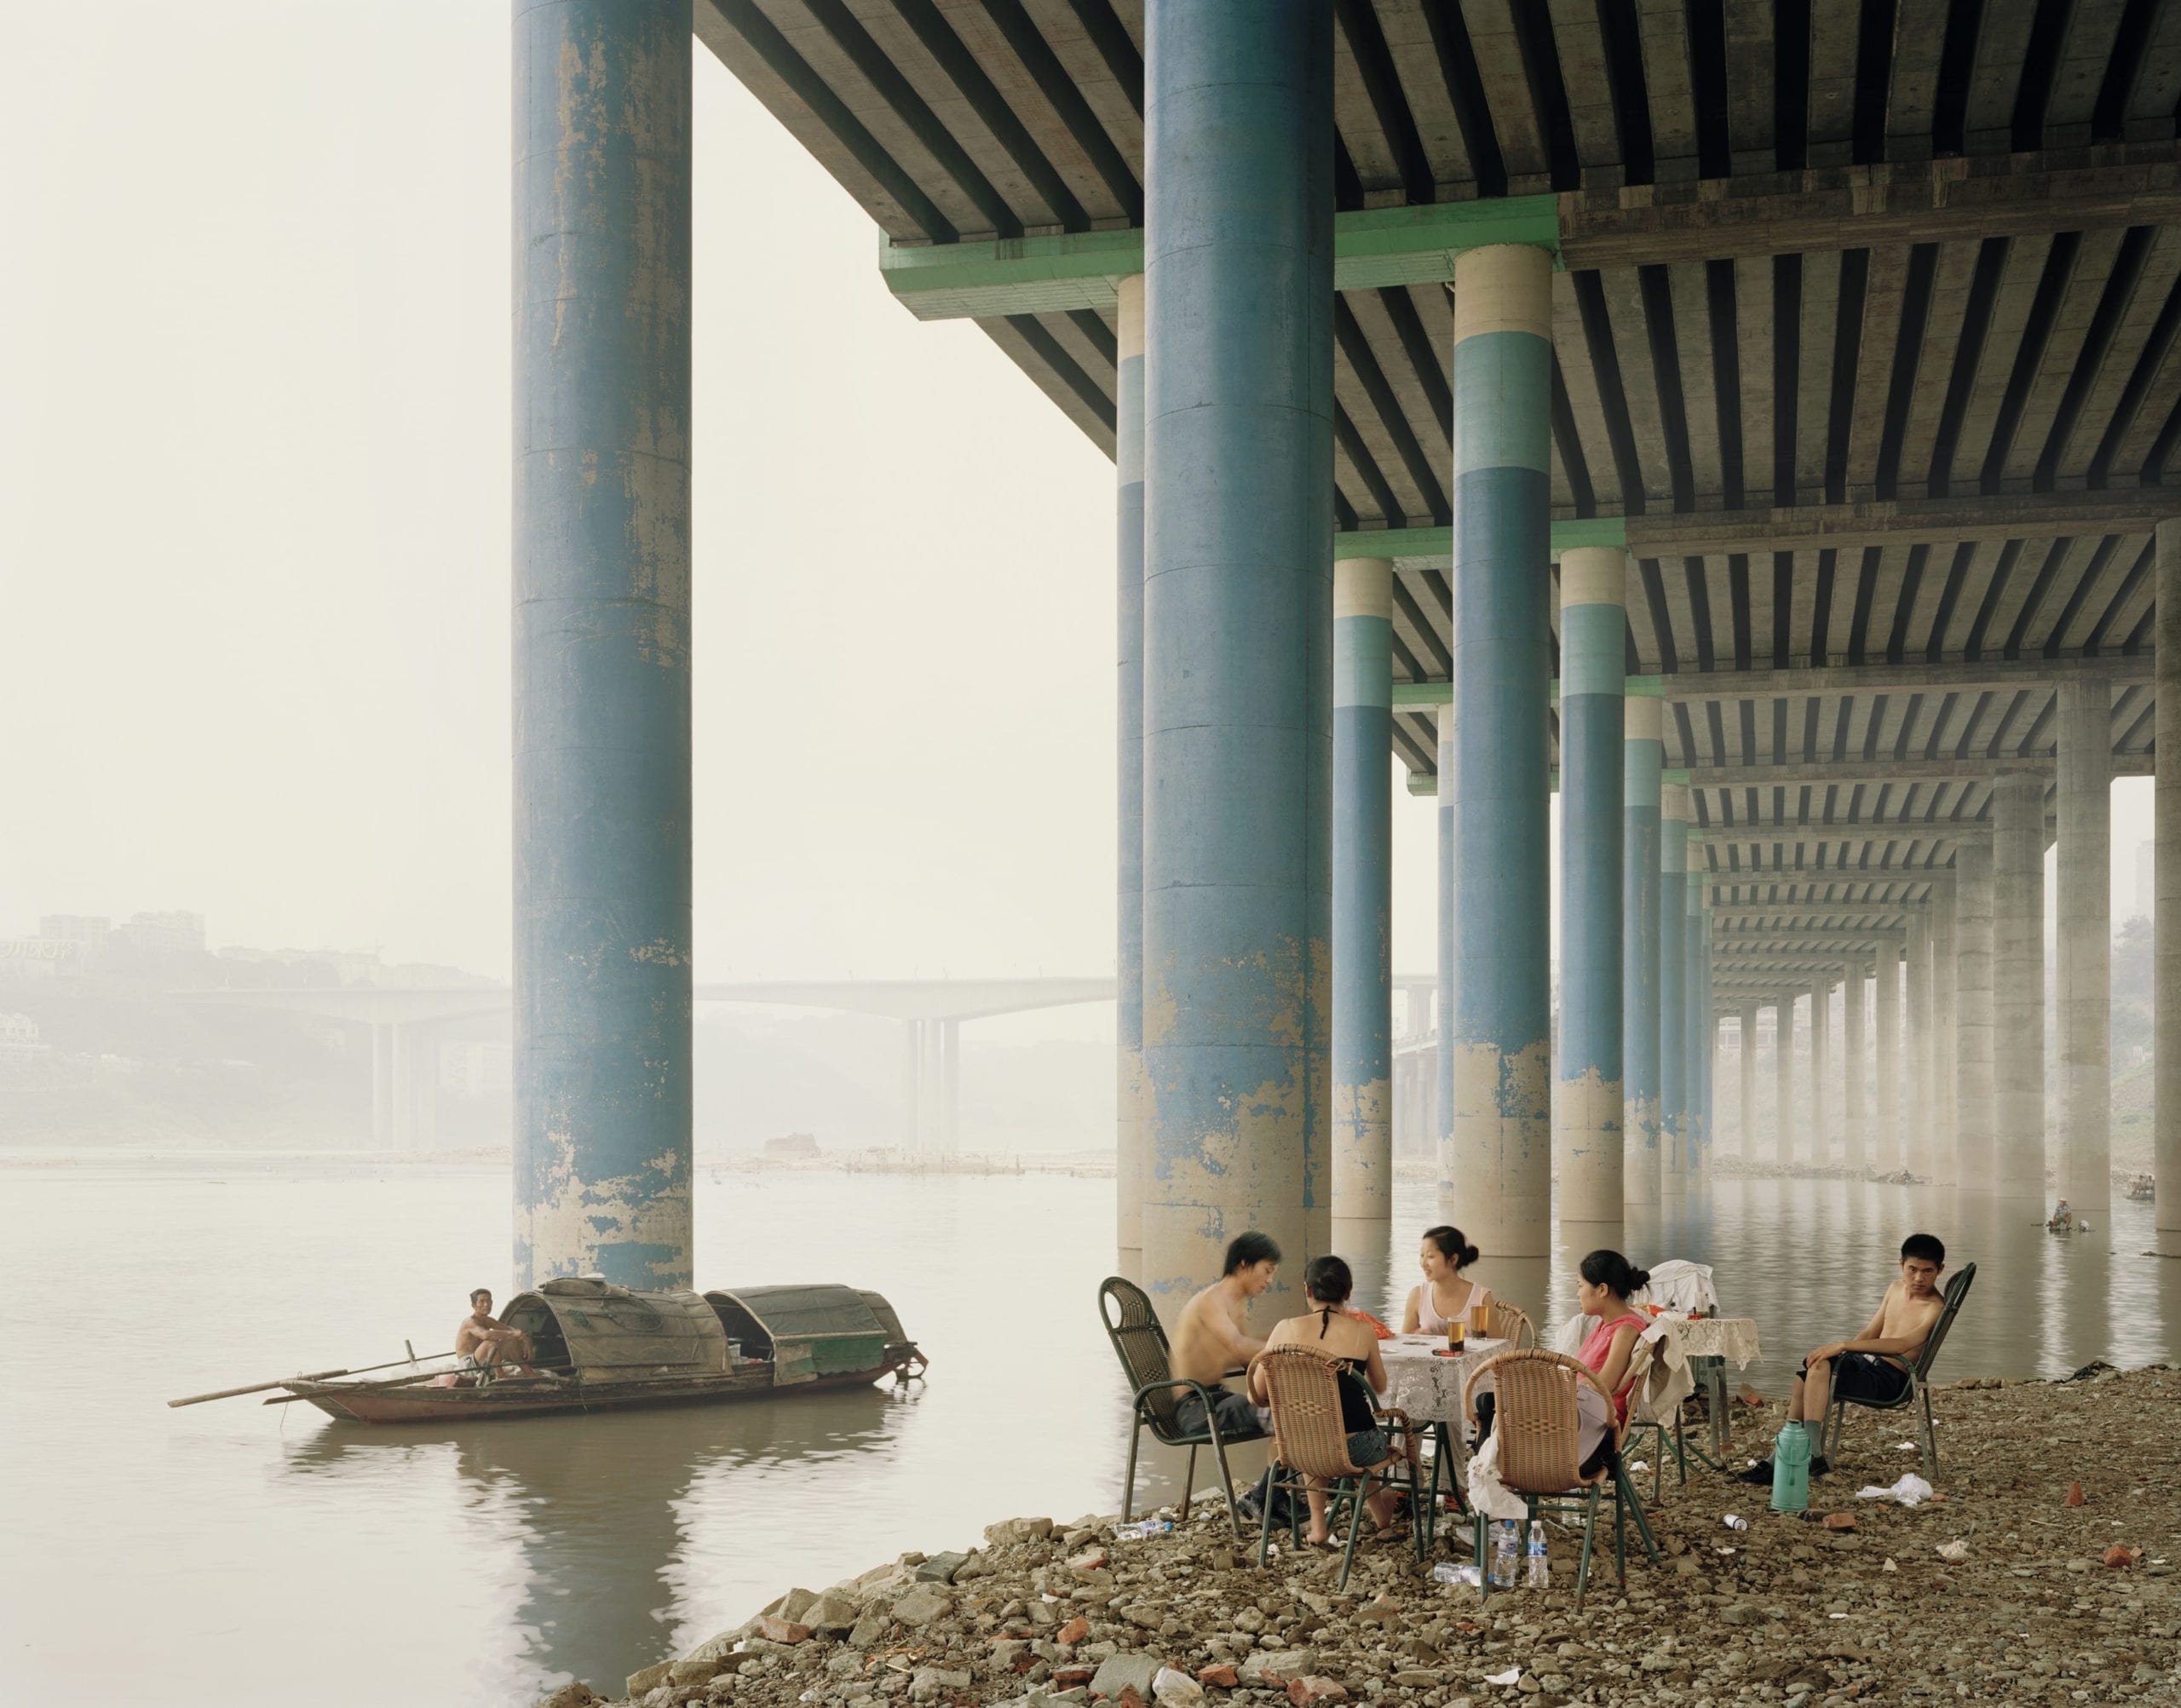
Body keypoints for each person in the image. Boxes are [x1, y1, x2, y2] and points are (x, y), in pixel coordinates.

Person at [1738, 1233, 1948, 1484]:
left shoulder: (1934, 1307)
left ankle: (1792, 1457)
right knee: (1812, 1367)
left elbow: (1903, 1344)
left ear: (1940, 1270)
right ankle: (1798, 1455)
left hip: (1892, 1379)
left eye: (1927, 1271)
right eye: (1912, 1269)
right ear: (1901, 1264)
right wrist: (1844, 1352)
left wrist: (1843, 1346)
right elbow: (1871, 1332)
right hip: (1868, 1365)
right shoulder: (1895, 1288)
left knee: (1814, 1374)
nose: (1918, 1278)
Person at [1248, 1255, 1416, 1543]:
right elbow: (1379, 1386)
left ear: (1307, 1290)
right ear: (1348, 1293)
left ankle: (1318, 1527)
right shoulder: (1363, 1331)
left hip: (1298, 1446)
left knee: (1316, 1435)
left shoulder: (1284, 1329)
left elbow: (1258, 1393)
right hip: (1356, 1449)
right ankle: (1381, 1513)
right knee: (1364, 1437)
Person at [1167, 1232, 1280, 1441]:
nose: (1269, 1280)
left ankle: (1277, 1475)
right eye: (1267, 1271)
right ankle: (1284, 1475)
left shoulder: (1235, 1303)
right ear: (1244, 1264)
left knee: (1295, 1407)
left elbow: (1249, 1359)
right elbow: (1240, 1347)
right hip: (1197, 1409)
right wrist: (1287, 1343)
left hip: (1216, 1400)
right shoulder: (1211, 1300)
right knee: (1290, 1415)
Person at [1573, 1250, 1652, 1429]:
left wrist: (1556, 1389)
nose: (1578, 1294)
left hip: (1599, 1419)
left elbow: (1604, 1384)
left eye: (1580, 1286)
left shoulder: (1626, 1329)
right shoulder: (1605, 1324)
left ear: (1602, 1289)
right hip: (1580, 1407)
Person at [1400, 1225, 1493, 1337]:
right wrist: (1416, 1335)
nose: (1423, 1263)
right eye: (1422, 1255)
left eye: (1430, 1256)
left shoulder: (1481, 1298)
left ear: (1453, 1259)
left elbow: (1500, 1349)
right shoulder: (1418, 1295)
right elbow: (1404, 1344)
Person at [455, 1288, 537, 1378]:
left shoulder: (488, 1320)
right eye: (481, 1301)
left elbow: (511, 1330)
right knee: (491, 1341)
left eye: (489, 1301)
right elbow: (485, 1334)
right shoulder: (470, 1322)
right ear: (474, 1305)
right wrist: (513, 1334)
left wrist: (525, 1340)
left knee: (510, 1341)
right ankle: (500, 1375)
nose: (486, 1305)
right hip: (468, 1366)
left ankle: (529, 1373)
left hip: (482, 1361)